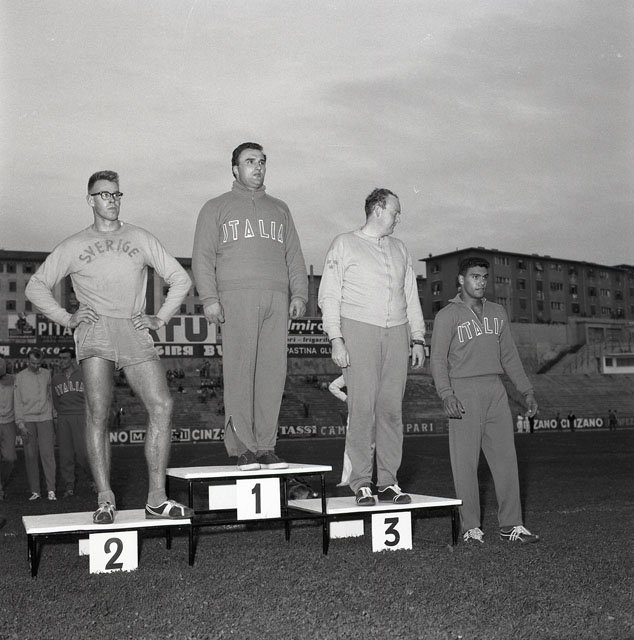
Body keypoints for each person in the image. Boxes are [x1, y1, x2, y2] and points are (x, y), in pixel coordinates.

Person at [25, 169, 194, 524]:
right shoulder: (74, 244)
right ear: (90, 200)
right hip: (96, 329)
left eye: (117, 194)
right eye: (105, 194)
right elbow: (35, 286)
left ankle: (157, 499)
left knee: (162, 405)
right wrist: (67, 317)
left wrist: (160, 318)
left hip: (134, 326)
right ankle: (105, 499)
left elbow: (180, 278)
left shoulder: (140, 237)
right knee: (98, 412)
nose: (113, 200)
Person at [192, 142, 308, 471]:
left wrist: (299, 294)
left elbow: (294, 256)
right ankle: (243, 447)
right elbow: (202, 257)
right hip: (236, 296)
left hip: (276, 298)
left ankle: (266, 446)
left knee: (273, 374)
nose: (257, 167)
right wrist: (209, 298)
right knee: (240, 373)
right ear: (235, 169)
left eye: (261, 161)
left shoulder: (280, 209)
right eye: (249, 161)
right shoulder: (216, 207)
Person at [318, 188, 425, 506]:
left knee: (391, 411)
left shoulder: (400, 248)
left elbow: (411, 295)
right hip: (358, 329)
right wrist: (336, 338)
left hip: (397, 333)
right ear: (378, 210)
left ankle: (389, 481)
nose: (398, 218)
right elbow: (329, 295)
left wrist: (418, 337)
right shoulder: (344, 243)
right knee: (362, 409)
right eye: (395, 211)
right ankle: (362, 481)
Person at [430, 257, 540, 544]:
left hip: (495, 390)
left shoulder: (497, 312)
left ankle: (511, 525)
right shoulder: (447, 316)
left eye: (484, 277)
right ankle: (470, 527)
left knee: (506, 461)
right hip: (463, 391)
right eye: (474, 276)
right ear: (461, 280)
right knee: (465, 464)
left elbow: (510, 356)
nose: (480, 282)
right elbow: (438, 360)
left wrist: (526, 390)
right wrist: (446, 393)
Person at [14, 349, 56, 501]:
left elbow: (50, 397)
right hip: (28, 421)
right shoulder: (20, 377)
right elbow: (17, 401)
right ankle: (35, 491)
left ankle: (51, 490)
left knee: (48, 455)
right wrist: (20, 424)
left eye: (38, 363)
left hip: (45, 419)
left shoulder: (47, 374)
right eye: (32, 363)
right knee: (30, 456)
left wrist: (53, 415)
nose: (36, 366)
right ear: (27, 361)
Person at [52, 347, 91, 498]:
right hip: (63, 418)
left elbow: (90, 397)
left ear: (72, 360)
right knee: (65, 455)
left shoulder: (83, 375)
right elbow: (56, 401)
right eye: (60, 358)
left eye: (65, 358)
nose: (62, 361)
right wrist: (60, 416)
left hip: (81, 416)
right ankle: (69, 486)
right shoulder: (56, 379)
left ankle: (94, 479)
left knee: (83, 454)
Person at [0, 356, 18, 500]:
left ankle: (1, 483)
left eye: (1, 364)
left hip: (9, 423)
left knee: (10, 458)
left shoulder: (15, 380)